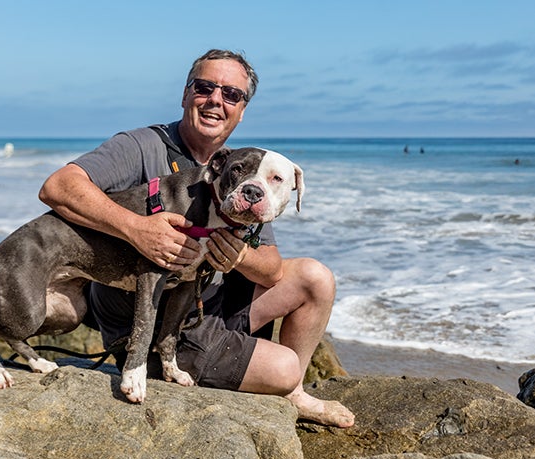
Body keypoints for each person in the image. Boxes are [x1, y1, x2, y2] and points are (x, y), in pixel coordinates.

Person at [38, 49, 355, 428]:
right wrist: (136, 228)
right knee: (282, 367)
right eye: (205, 87)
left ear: (242, 109)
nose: (216, 100)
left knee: (315, 278)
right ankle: (248, 376)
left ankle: (295, 394)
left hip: (209, 301)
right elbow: (59, 187)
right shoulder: (142, 146)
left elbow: (270, 270)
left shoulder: (244, 165)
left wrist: (236, 255)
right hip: (154, 320)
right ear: (186, 94)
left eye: (232, 94)